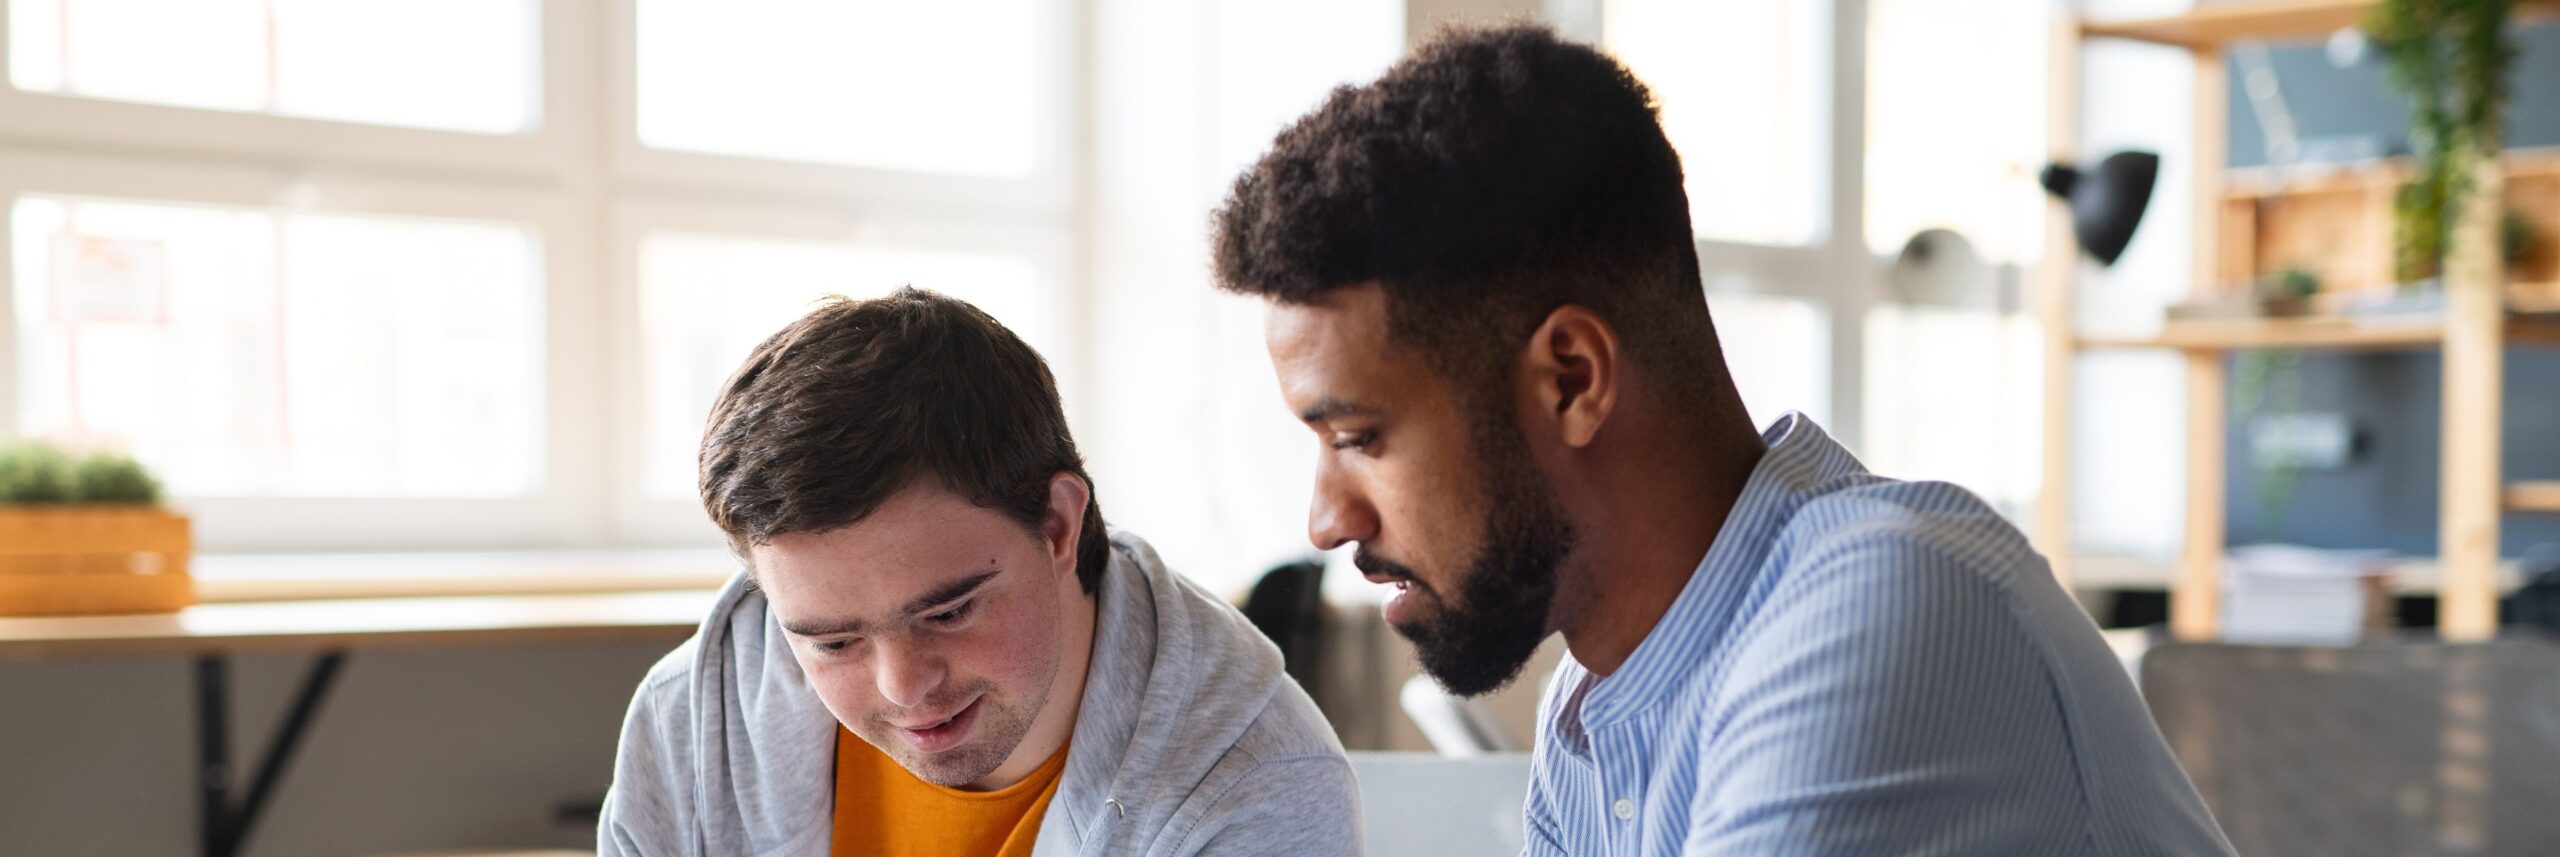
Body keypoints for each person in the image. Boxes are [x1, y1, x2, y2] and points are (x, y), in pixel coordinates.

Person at [1212, 23, 2236, 856]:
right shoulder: (1594, 713)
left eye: (1359, 435)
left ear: (1571, 377)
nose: (1324, 517)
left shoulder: (1880, 600)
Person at [597, 288, 1360, 856]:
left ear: (1058, 526)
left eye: (948, 611)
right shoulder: (688, 726)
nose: (904, 687)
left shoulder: (1257, 785)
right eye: (833, 642)